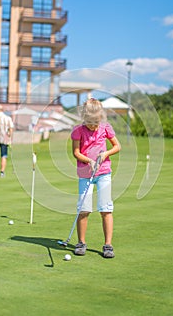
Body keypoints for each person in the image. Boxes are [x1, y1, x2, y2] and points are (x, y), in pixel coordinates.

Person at [71, 98, 121, 258]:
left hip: (104, 173)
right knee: (84, 209)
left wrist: (105, 154)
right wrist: (89, 161)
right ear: (84, 118)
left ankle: (108, 245)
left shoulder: (106, 128)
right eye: (90, 123)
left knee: (105, 209)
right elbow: (76, 153)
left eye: (96, 122)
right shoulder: (78, 130)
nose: (93, 126)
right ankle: (81, 242)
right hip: (85, 174)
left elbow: (117, 146)